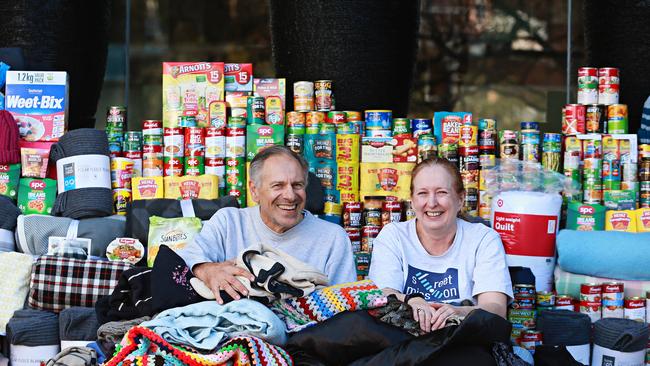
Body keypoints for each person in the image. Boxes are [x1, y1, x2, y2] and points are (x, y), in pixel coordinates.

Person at [178, 145, 357, 304]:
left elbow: (345, 306)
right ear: (254, 191)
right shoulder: (229, 222)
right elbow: (187, 257)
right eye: (278, 185)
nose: (290, 195)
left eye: (297, 185)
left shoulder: (333, 237)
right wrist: (207, 270)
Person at [368, 157, 513, 333]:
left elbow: (496, 309)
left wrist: (458, 312)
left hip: (462, 342)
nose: (432, 202)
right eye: (422, 193)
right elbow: (381, 295)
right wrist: (412, 300)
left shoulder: (483, 238)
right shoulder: (394, 235)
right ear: (412, 201)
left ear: (460, 199)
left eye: (442, 192)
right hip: (406, 345)